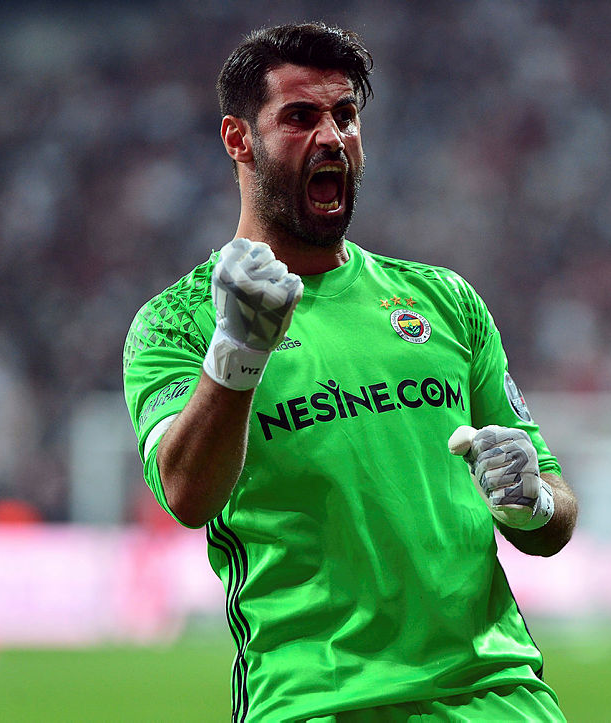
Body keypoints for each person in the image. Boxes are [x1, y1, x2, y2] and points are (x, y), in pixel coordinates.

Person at [123, 21, 578, 722]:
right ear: (238, 139)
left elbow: (553, 515)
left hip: (497, 696)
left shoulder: (445, 300)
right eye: (299, 117)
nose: (332, 137)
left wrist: (535, 501)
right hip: (317, 702)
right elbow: (186, 494)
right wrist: (236, 352)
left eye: (345, 115)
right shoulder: (176, 323)